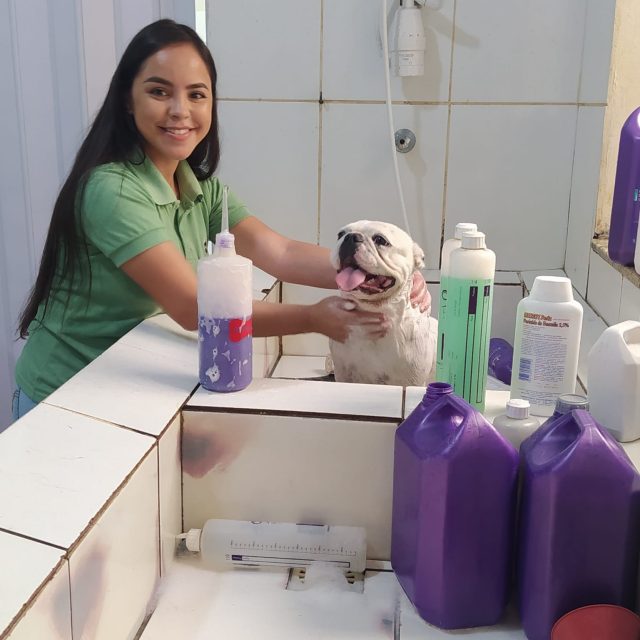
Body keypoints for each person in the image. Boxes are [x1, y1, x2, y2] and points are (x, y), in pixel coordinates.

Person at [11, 19, 429, 423]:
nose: (180, 110)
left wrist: (384, 270)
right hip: (65, 395)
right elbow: (194, 308)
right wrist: (311, 318)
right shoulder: (112, 190)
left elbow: (281, 253)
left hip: (125, 381)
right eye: (159, 91)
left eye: (197, 94)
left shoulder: (200, 190)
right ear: (127, 99)